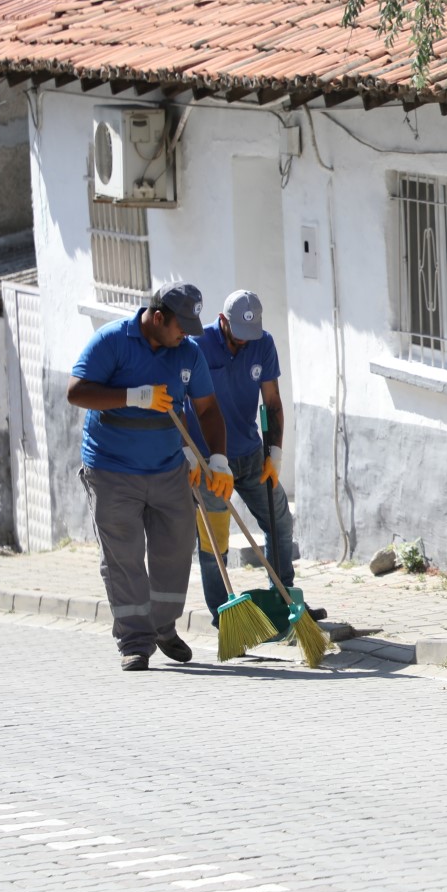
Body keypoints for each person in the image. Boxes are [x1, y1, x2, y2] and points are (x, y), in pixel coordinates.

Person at [67, 282, 234, 671]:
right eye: (181, 327)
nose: (186, 336)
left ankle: (163, 626)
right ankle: (135, 640)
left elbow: (207, 410)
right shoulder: (112, 342)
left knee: (175, 547)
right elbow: (77, 392)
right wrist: (133, 396)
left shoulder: (188, 354)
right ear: (158, 318)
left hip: (166, 467)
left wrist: (219, 460)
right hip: (111, 470)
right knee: (123, 555)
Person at [185, 289, 324, 624]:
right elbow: (179, 400)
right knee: (214, 541)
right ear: (222, 321)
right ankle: (226, 617)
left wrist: (274, 453)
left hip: (250, 456)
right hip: (209, 464)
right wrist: (187, 452)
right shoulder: (197, 346)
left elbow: (272, 402)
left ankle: (284, 599)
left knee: (280, 522)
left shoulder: (263, 342)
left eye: (251, 336)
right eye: (238, 337)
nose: (244, 343)